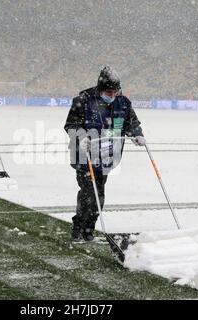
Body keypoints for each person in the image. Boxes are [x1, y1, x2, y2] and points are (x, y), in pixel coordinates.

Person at [64, 66, 146, 241]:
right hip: (84, 156)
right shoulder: (83, 100)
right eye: (109, 92)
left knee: (99, 196)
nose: (113, 95)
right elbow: (70, 125)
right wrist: (82, 137)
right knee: (88, 193)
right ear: (101, 89)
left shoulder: (123, 103)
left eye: (116, 92)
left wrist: (137, 134)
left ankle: (89, 228)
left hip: (107, 155)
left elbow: (131, 123)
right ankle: (79, 228)